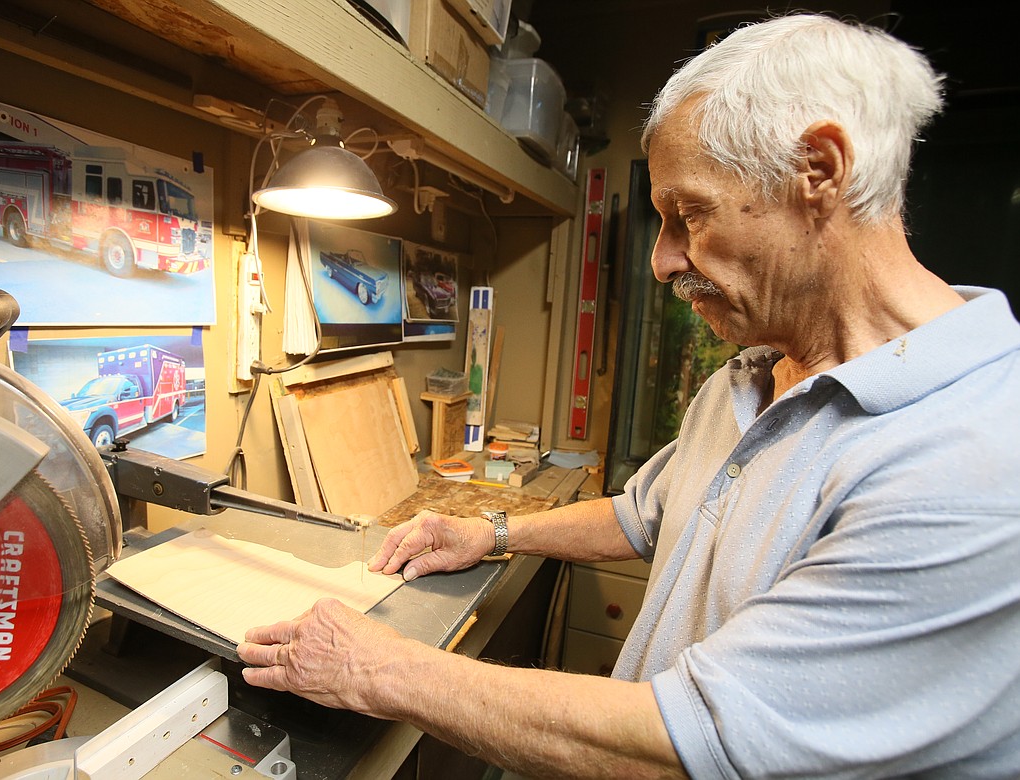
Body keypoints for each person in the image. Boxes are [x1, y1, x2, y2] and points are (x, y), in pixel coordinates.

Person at [238, 13, 1020, 778]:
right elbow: (643, 512)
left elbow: (692, 744)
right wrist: (496, 532)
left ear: (819, 169)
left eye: (689, 214)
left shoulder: (973, 461)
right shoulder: (751, 372)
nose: (661, 260)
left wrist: (379, 671)